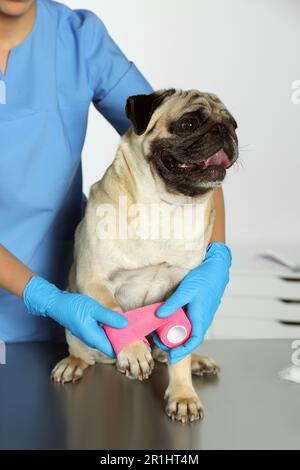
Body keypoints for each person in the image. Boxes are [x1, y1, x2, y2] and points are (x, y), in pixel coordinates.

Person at [0, 0, 231, 363]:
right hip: (53, 304)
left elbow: (181, 149)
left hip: (81, 317)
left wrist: (217, 258)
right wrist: (44, 297)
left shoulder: (78, 39)